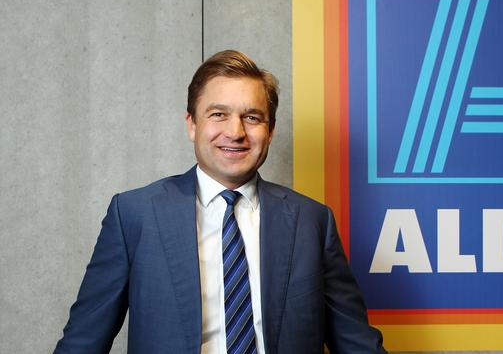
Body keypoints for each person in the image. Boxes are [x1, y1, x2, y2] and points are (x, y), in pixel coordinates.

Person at [54, 50, 386, 354]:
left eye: (252, 117)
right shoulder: (134, 216)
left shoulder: (313, 222)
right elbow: (82, 343)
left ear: (269, 132)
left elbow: (358, 345)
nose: (235, 131)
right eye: (218, 114)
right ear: (192, 125)